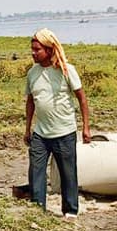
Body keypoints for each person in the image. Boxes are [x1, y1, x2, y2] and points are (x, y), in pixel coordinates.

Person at [23, 28, 91, 218]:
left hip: (64, 132)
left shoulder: (67, 71)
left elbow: (82, 99)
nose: (33, 53)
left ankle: (70, 211)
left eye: (37, 50)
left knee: (68, 174)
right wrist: (28, 129)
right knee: (36, 172)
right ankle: (38, 211)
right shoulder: (32, 73)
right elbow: (30, 102)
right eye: (32, 49)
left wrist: (86, 128)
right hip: (40, 134)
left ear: (49, 50)